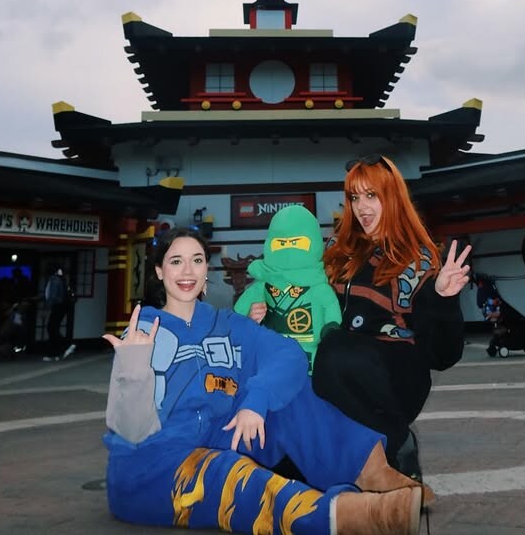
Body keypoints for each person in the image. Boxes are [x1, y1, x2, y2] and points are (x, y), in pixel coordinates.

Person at [103, 227, 425, 534]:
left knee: (291, 397)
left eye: (196, 260)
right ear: (159, 271)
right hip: (153, 467)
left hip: (217, 438)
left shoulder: (226, 324)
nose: (187, 271)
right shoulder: (142, 332)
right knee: (232, 475)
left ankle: (372, 472)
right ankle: (349, 516)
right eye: (176, 261)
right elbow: (131, 431)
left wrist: (256, 401)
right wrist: (134, 368)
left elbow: (288, 354)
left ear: (205, 270)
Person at [311, 154, 472, 483]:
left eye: (372, 195)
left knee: (334, 349)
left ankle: (397, 441)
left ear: (393, 197)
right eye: (355, 197)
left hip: (395, 376)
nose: (362, 207)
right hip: (338, 373)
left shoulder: (417, 258)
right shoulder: (335, 251)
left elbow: (443, 356)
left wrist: (443, 299)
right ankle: (381, 466)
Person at [43, 265, 76, 361]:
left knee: (51, 328)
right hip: (62, 306)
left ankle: (66, 345)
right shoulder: (61, 279)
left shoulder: (54, 279)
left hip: (57, 306)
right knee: (54, 329)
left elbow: (52, 295)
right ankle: (56, 352)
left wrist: (47, 308)